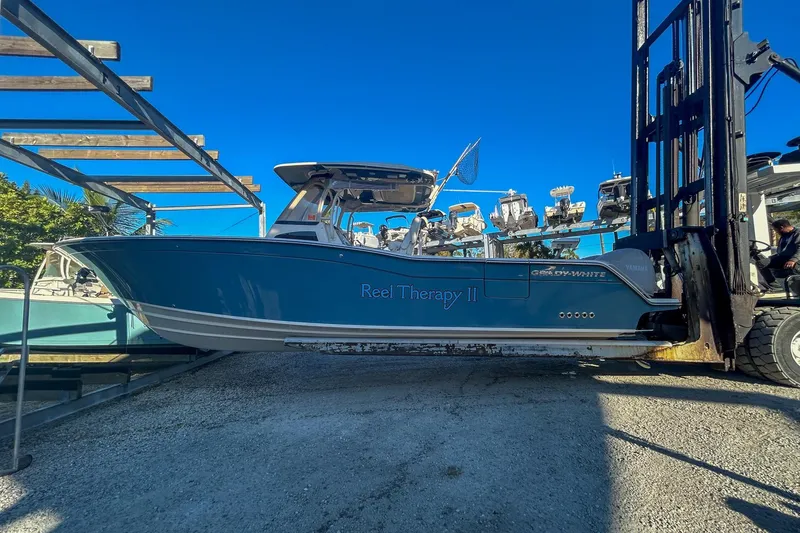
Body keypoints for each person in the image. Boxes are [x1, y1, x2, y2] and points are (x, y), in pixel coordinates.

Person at [761, 219, 800, 289]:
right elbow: (782, 251)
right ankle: (775, 287)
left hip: (796, 259)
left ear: (781, 227)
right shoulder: (784, 235)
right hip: (784, 258)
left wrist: (793, 260)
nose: (777, 232)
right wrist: (771, 258)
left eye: (776, 230)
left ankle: (795, 287)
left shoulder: (798, 233)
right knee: (762, 263)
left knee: (792, 268)